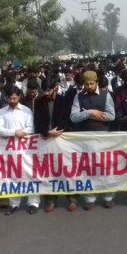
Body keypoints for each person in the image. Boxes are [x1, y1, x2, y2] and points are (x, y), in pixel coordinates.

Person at [70, 70, 117, 210]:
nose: (89, 86)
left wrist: (92, 115)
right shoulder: (78, 97)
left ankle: (108, 196)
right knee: (88, 168)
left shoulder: (105, 95)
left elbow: (111, 116)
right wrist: (90, 113)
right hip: (85, 138)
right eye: (86, 84)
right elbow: (73, 117)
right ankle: (90, 198)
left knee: (105, 167)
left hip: (103, 137)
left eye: (91, 83)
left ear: (96, 82)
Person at [32, 75, 74, 212]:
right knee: (47, 171)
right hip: (45, 139)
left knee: (66, 169)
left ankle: (72, 198)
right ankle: (50, 200)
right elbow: (37, 121)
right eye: (44, 91)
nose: (46, 93)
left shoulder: (64, 101)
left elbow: (67, 120)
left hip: (62, 138)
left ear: (55, 88)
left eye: (49, 90)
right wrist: (47, 132)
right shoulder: (38, 102)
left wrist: (58, 131)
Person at [0, 86, 37, 215]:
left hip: (26, 149)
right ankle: (14, 203)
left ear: (19, 97)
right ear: (5, 98)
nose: (12, 100)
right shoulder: (1, 112)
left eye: (14, 98)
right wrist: (14, 132)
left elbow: (31, 128)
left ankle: (33, 202)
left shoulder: (26, 111)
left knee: (29, 173)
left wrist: (22, 132)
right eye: (9, 98)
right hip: (8, 149)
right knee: (11, 175)